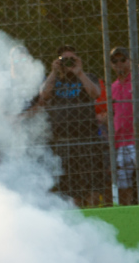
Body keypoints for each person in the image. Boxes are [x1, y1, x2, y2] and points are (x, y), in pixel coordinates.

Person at [36, 45, 104, 204]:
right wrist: (54, 71)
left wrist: (79, 72)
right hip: (63, 141)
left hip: (87, 139)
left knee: (92, 184)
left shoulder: (88, 76)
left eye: (71, 59)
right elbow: (44, 94)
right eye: (64, 60)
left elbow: (96, 93)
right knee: (71, 188)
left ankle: (95, 214)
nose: (68, 63)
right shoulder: (54, 80)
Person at [108, 47, 139, 204]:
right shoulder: (113, 87)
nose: (119, 64)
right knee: (123, 183)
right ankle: (127, 210)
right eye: (115, 61)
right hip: (120, 141)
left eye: (123, 60)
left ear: (130, 61)